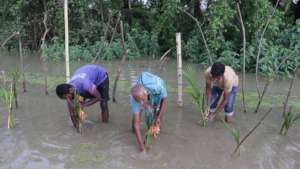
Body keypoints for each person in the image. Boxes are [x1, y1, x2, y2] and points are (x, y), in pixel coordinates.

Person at [56, 64, 110, 129]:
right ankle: (83, 122)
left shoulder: (85, 84)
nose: (67, 99)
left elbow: (99, 97)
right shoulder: (68, 90)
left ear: (70, 91)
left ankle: (105, 126)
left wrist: (84, 104)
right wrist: (77, 128)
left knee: (103, 103)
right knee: (77, 107)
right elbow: (72, 113)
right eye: (65, 98)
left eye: (67, 97)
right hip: (86, 77)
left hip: (101, 77)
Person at [130, 72, 167, 152]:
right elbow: (137, 124)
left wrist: (158, 117)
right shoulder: (135, 99)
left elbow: (164, 101)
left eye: (143, 100)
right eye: (139, 102)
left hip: (156, 90)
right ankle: (134, 133)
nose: (141, 104)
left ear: (146, 93)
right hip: (143, 89)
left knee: (155, 114)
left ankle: (154, 131)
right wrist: (141, 146)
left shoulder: (158, 88)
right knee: (136, 118)